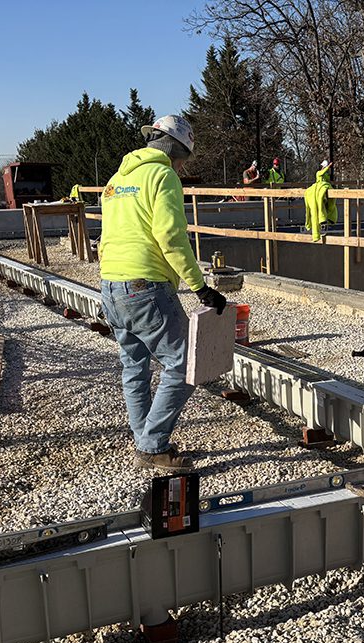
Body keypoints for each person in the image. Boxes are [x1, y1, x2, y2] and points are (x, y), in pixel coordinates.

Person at [98, 114, 228, 472]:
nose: (184, 165)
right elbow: (170, 237)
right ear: (176, 149)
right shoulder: (162, 176)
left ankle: (145, 440)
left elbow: (109, 235)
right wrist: (200, 287)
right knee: (187, 361)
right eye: (184, 157)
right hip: (145, 285)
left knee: (134, 366)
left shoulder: (116, 180)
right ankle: (153, 445)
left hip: (111, 285)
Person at [304, 159, 337, 241]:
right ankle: (320, 222)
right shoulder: (318, 173)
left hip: (324, 188)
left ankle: (327, 218)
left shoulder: (326, 175)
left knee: (326, 204)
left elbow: (327, 178)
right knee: (315, 209)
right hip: (318, 188)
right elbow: (321, 173)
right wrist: (328, 166)